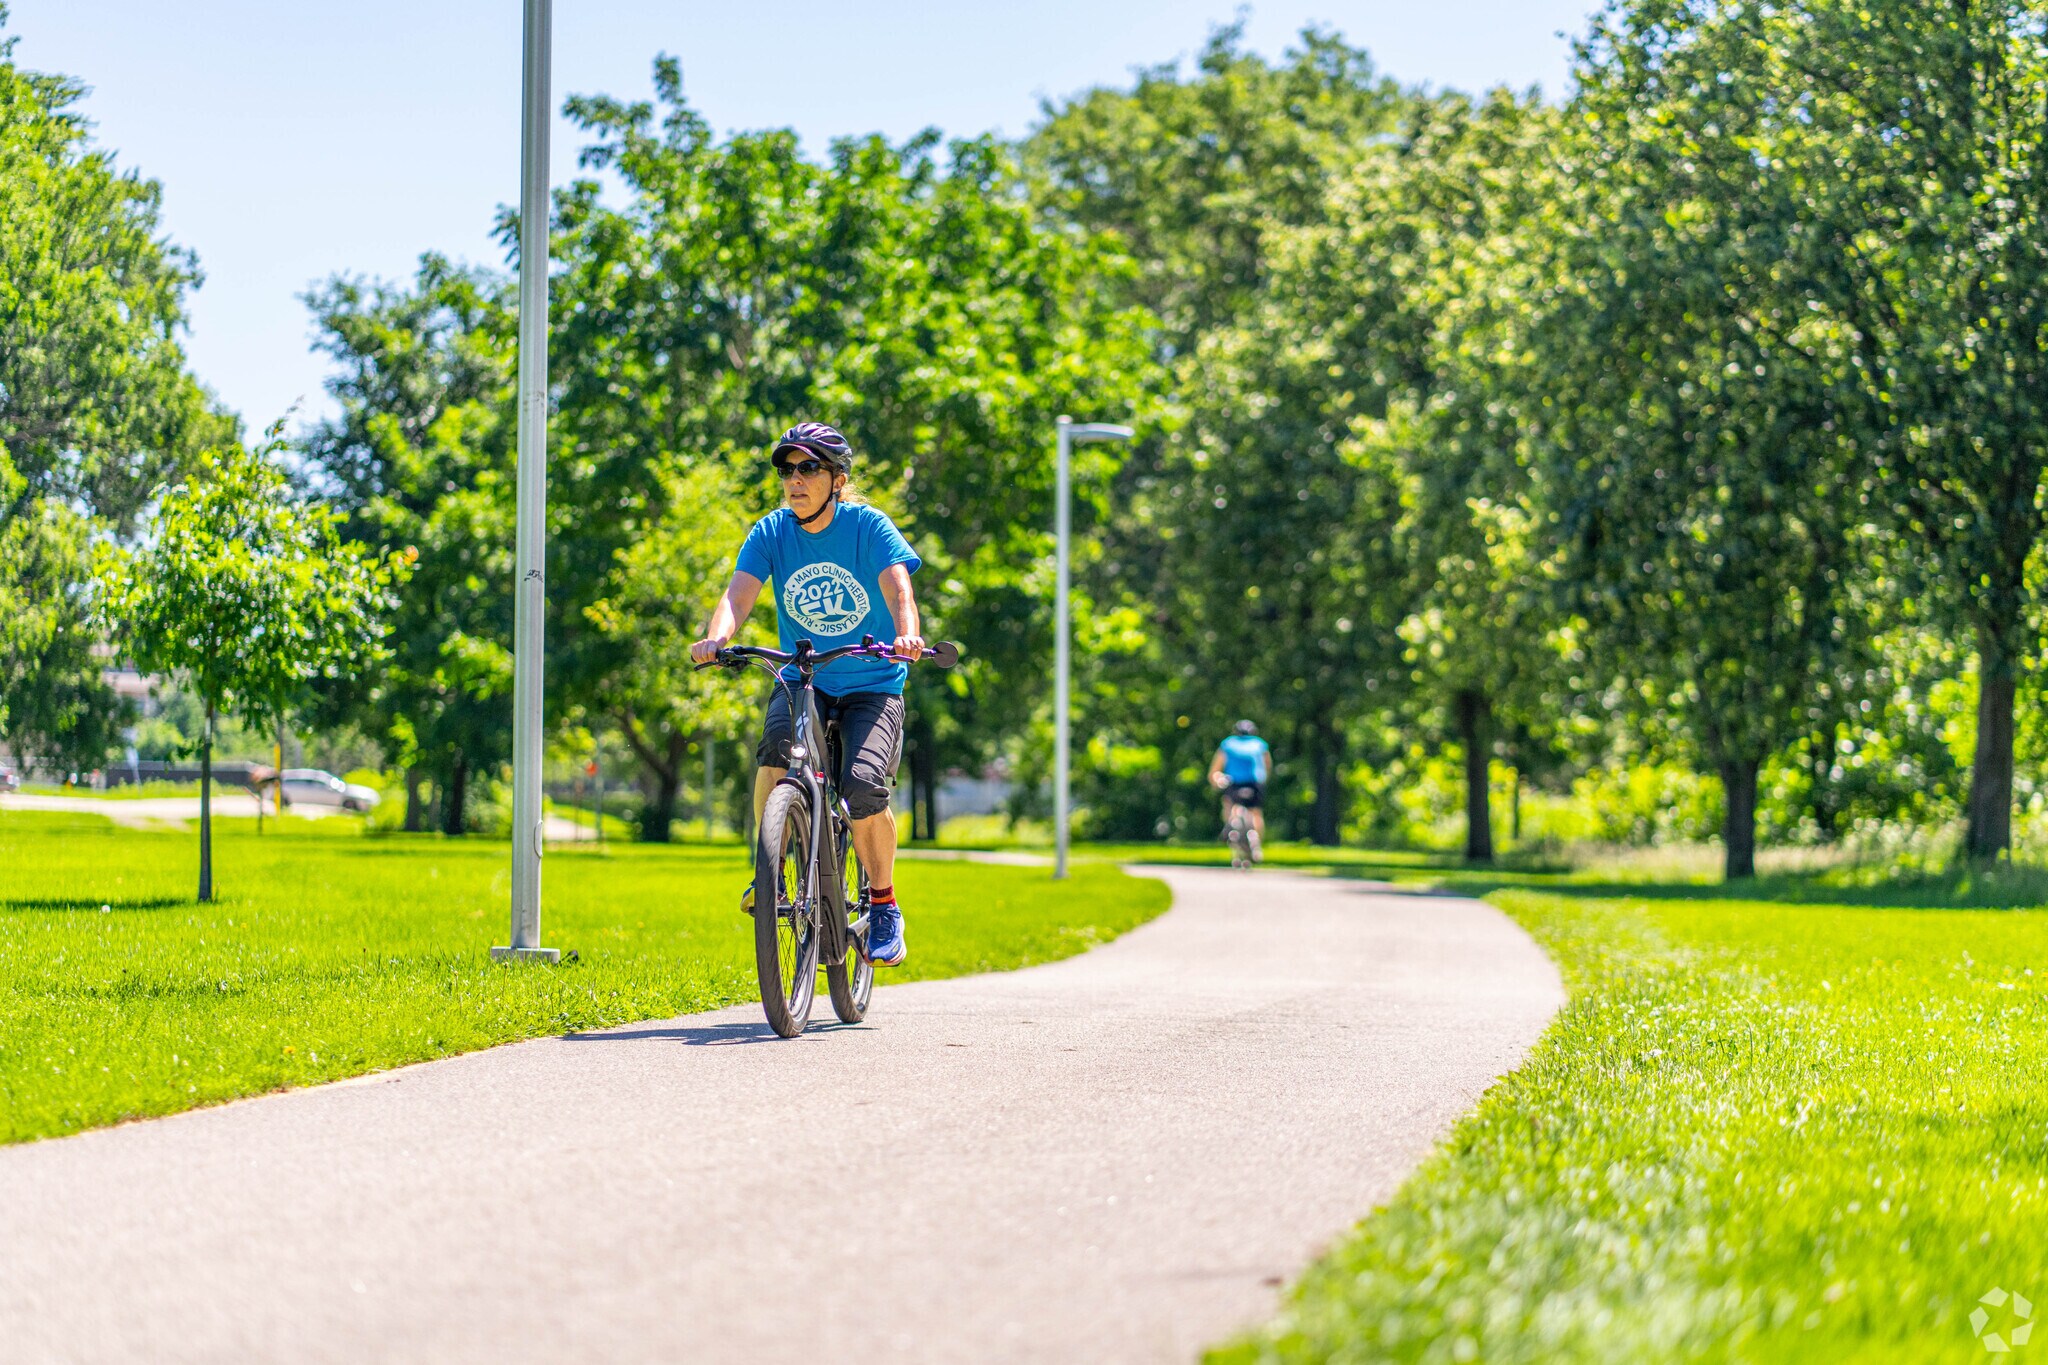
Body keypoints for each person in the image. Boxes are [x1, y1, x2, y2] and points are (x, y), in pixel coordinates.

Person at [690, 423, 925, 966]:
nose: (794, 480)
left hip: (871, 680)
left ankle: (885, 905)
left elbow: (899, 587)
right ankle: (768, 869)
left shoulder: (867, 526)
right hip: (803, 677)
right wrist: (717, 638)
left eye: (809, 468)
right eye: (787, 469)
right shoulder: (772, 532)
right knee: (776, 753)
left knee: (863, 787)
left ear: (837, 479)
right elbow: (738, 594)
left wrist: (906, 633)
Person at [1208, 720, 1270, 859]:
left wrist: (1215, 782)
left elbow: (1215, 769)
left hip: (1234, 783)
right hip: (1255, 783)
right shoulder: (1260, 744)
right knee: (1256, 814)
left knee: (1229, 806)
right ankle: (1257, 845)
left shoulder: (1228, 744)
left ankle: (1230, 828)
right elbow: (1267, 766)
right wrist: (1264, 780)